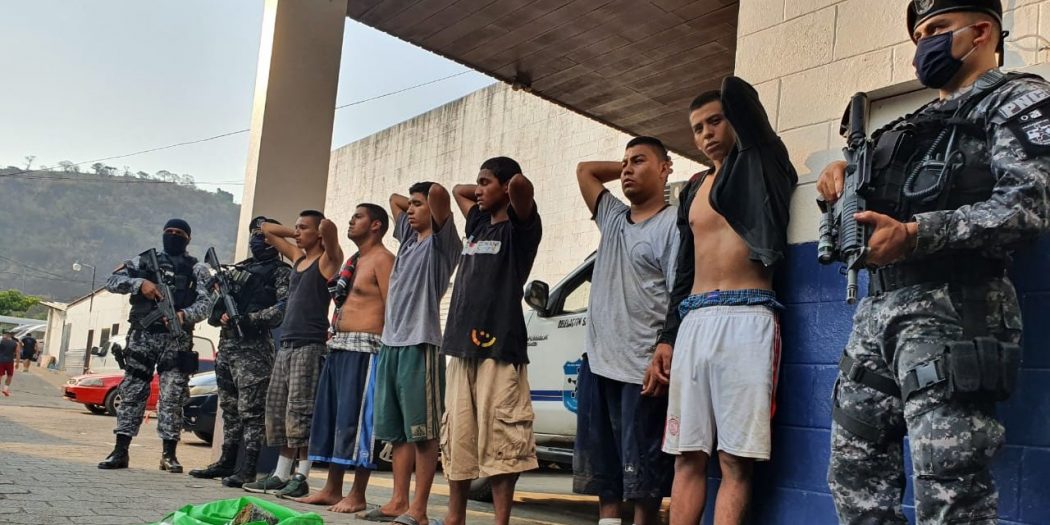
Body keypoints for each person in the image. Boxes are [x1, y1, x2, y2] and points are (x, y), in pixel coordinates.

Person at [818, 1, 1050, 522]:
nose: (925, 43)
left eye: (939, 29)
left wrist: (915, 235)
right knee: (854, 480)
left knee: (950, 491)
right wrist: (842, 181)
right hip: (878, 312)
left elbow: (1026, 208)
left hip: (956, 308)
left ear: (982, 31)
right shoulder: (910, 125)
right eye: (920, 34)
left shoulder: (1019, 100)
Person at [643, 77, 797, 525]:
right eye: (697, 128)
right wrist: (667, 338)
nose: (707, 133)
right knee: (686, 455)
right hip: (694, 322)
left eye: (716, 121)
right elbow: (683, 273)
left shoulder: (765, 164)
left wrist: (729, 98)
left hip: (748, 317)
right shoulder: (693, 189)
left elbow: (743, 100)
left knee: (734, 460)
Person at [572, 138, 679, 525]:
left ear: (665, 169)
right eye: (624, 162)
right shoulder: (614, 217)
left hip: (641, 371)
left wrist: (665, 350)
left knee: (644, 482)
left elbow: (678, 296)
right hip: (599, 365)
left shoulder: (673, 225)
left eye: (639, 161)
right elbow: (585, 170)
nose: (628, 169)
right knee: (605, 477)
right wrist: (626, 168)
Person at [437, 157, 542, 525]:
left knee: (502, 441)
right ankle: (455, 517)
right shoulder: (478, 223)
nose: (477, 190)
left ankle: (501, 521)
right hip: (460, 347)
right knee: (458, 436)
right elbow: (457, 191)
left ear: (505, 187)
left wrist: (504, 188)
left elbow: (522, 187)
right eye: (478, 183)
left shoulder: (521, 229)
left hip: (500, 349)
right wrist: (487, 189)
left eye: (485, 182)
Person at [364, 182, 462, 525]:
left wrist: (427, 202)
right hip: (391, 344)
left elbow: (440, 194)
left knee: (424, 433)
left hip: (421, 344)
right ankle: (398, 502)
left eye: (417, 205)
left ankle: (418, 510)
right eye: (410, 207)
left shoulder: (442, 243)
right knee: (398, 433)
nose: (409, 210)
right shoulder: (408, 240)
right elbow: (394, 200)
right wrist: (413, 205)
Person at [291, 204, 394, 509]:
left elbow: (393, 308)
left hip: (366, 350)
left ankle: (358, 494)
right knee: (334, 419)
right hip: (339, 345)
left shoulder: (383, 259)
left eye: (358, 217)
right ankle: (332, 488)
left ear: (376, 225)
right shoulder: (355, 260)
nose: (351, 220)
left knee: (358, 422)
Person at [98, 218, 213, 472]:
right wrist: (140, 284)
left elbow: (207, 304)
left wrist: (184, 315)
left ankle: (169, 454)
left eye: (179, 233)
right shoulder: (143, 262)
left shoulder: (197, 269)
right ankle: (120, 450)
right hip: (143, 336)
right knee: (132, 391)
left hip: (177, 339)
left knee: (173, 396)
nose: (173, 235)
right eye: (169, 231)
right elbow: (112, 281)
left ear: (188, 238)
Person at [188, 216, 291, 487]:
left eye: (264, 235)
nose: (258, 240)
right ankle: (226, 461)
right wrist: (221, 313)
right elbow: (213, 306)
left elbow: (282, 309)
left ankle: (248, 468)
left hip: (254, 348)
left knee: (252, 411)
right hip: (228, 345)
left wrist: (249, 319)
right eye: (255, 234)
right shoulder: (238, 269)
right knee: (229, 407)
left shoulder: (281, 272)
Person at [243, 210, 340, 495]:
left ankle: (302, 476)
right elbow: (266, 229)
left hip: (309, 345)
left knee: (302, 410)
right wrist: (297, 230)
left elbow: (330, 229)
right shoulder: (298, 258)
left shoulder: (327, 260)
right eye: (296, 227)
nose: (297, 232)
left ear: (318, 233)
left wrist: (317, 230)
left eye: (303, 228)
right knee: (280, 411)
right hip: (286, 345)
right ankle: (280, 474)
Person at [0, 332, 20, 396]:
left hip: (1, 360)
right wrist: (17, 363)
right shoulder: (16, 343)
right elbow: (17, 353)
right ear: (10, 336)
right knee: (9, 375)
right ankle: (5, 389)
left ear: (5, 336)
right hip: (10, 361)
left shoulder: (1, 341)